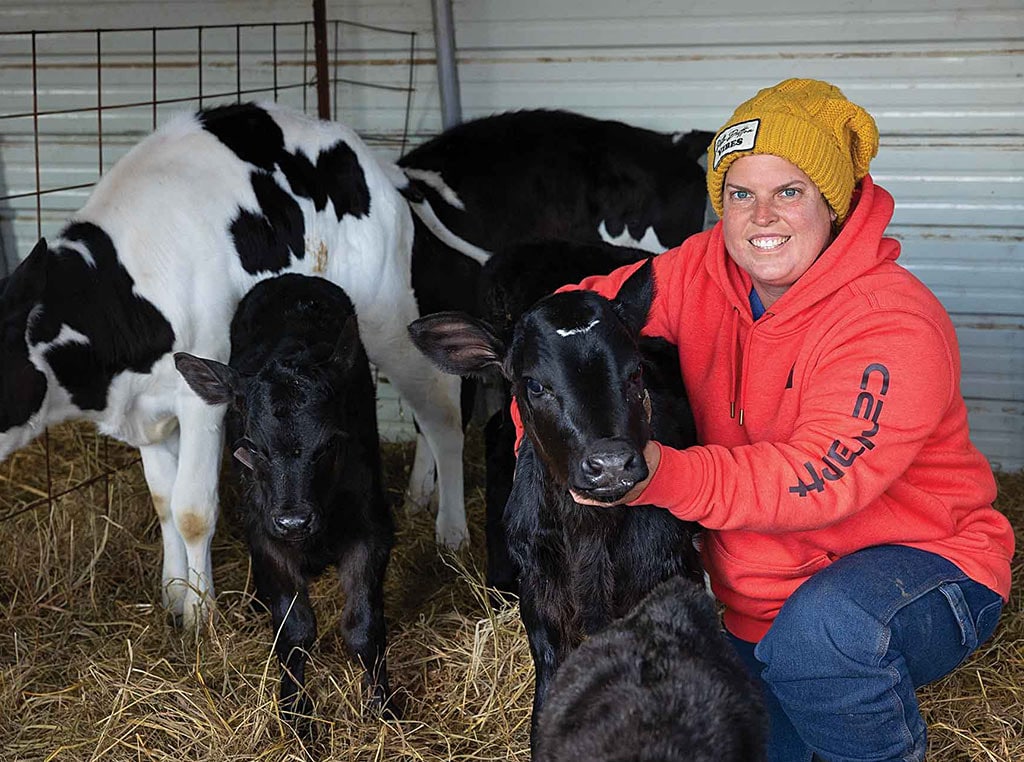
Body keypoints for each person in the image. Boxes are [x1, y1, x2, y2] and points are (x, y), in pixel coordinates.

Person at [536, 78, 1015, 761]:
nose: (762, 217)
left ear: (834, 203)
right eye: (741, 194)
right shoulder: (701, 270)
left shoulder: (891, 322)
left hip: (923, 571)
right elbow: (572, 319)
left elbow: (818, 480)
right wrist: (545, 426)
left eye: (789, 191)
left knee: (824, 637)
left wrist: (658, 475)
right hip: (760, 603)